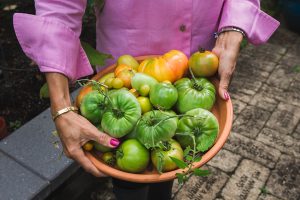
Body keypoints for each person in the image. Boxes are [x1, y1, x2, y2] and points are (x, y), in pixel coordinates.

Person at [13, 0, 279, 199]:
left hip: (200, 61)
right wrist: (60, 108)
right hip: (126, 68)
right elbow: (59, 6)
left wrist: (233, 28)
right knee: (130, 175)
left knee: (169, 163)